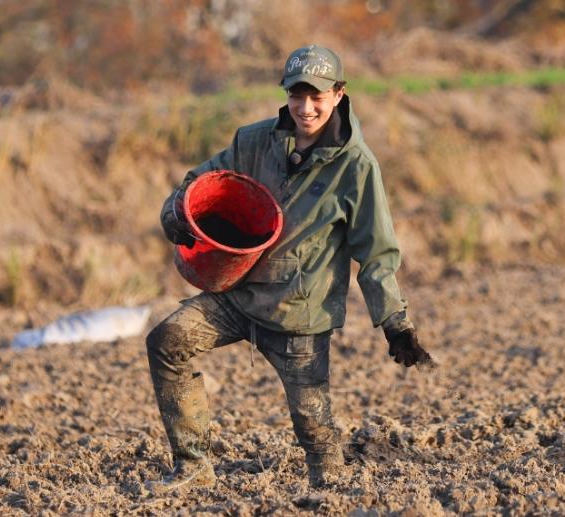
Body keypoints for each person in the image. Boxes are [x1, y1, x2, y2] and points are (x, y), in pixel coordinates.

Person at [146, 44, 435, 492]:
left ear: (338, 94)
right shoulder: (254, 141)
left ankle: (333, 491)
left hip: (299, 313)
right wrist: (175, 215)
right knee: (167, 341)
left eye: (317, 96)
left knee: (313, 427)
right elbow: (198, 183)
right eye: (296, 95)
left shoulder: (356, 167)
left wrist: (396, 323)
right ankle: (193, 467)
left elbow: (375, 252)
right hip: (237, 294)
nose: (305, 107)